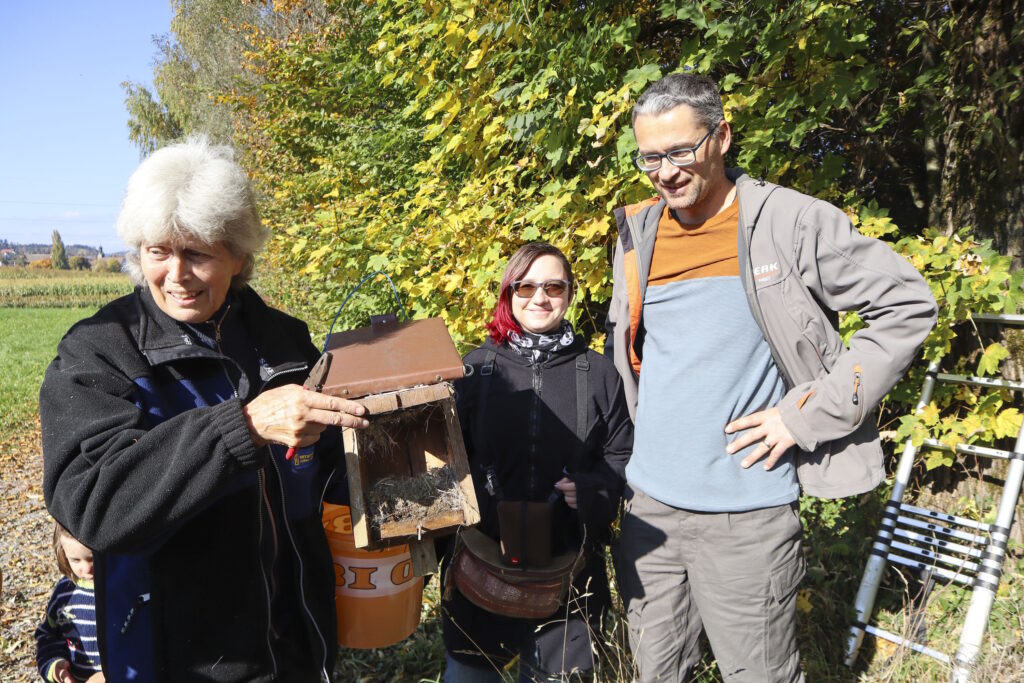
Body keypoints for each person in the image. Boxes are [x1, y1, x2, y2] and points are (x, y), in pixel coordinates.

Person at [605, 73, 937, 682]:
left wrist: (806, 414)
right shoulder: (641, 232)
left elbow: (907, 305)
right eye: (650, 157)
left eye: (682, 151)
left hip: (744, 519)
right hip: (650, 510)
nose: (666, 171)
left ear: (723, 136)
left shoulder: (790, 222)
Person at [39, 137, 370, 682]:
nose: (176, 275)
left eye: (197, 253)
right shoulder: (100, 350)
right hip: (176, 658)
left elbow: (328, 472)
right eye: (158, 252)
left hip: (295, 645)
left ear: (238, 255)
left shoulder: (282, 340)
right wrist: (243, 427)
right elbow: (94, 502)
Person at [442, 242, 633, 682]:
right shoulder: (474, 370)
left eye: (553, 286)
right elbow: (446, 459)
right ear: (509, 293)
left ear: (570, 293)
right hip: (480, 568)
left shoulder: (599, 373)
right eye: (526, 286)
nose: (540, 298)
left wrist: (592, 489)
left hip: (569, 575)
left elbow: (621, 456)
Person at [35, 522, 104, 683]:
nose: (86, 568)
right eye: (75, 560)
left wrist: (109, 675)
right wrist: (55, 665)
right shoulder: (64, 593)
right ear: (64, 555)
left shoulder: (121, 591)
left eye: (92, 558)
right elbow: (47, 635)